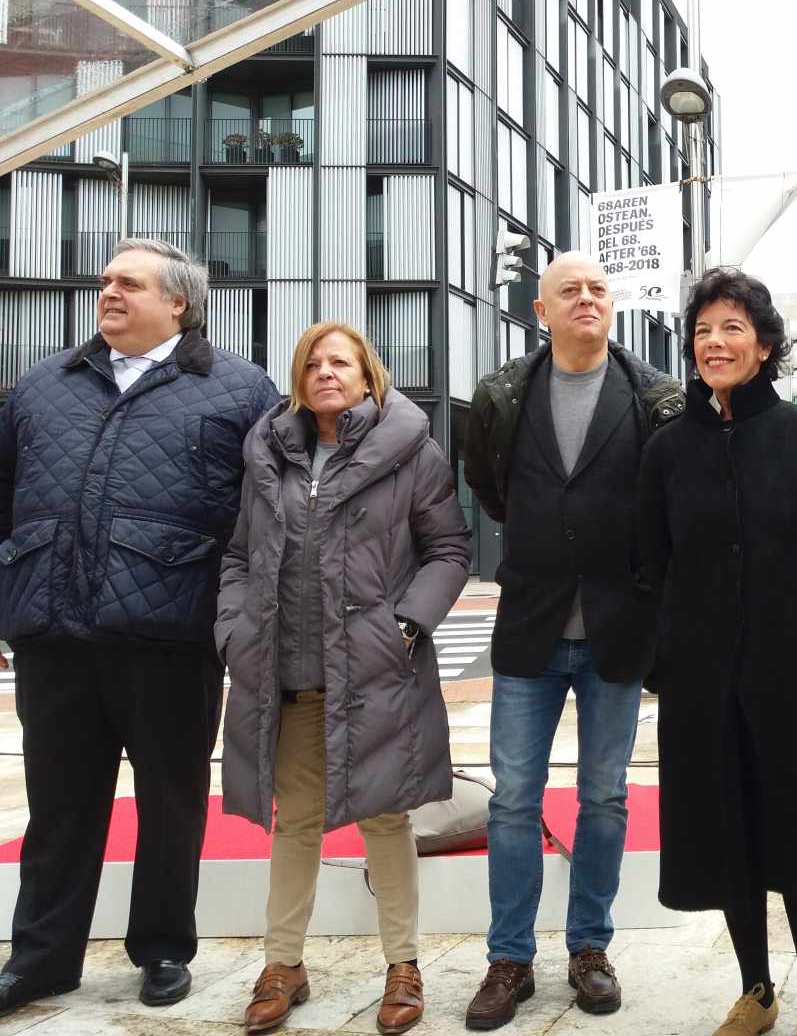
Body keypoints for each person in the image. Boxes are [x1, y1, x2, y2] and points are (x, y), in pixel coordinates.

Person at [0, 238, 278, 1015]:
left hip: (174, 636)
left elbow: (263, 516)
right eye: (105, 282)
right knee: (59, 805)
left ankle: (161, 950)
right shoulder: (42, 387)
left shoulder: (239, 389)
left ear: (178, 303)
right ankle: (42, 960)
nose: (109, 292)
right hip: (54, 633)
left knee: (171, 800)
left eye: (128, 283)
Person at [636, 267, 797, 1036]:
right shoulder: (666, 452)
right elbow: (649, 565)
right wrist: (666, 660)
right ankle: (756, 988)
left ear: (766, 344)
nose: (715, 343)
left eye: (733, 329)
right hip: (703, 676)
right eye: (704, 330)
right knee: (728, 832)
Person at [216, 322, 469, 1035]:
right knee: (293, 821)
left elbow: (448, 550)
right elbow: (237, 556)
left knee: (386, 819)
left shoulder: (412, 452)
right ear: (298, 379)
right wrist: (235, 631)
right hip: (284, 671)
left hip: (375, 671)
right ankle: (284, 964)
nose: (326, 372)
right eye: (313, 363)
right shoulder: (267, 454)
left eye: (340, 362)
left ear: (367, 376)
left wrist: (405, 625)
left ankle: (403, 964)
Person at [461, 251, 685, 1030]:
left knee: (604, 796)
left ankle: (590, 949)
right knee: (514, 801)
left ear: (610, 306)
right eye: (570, 291)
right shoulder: (501, 395)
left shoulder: (657, 399)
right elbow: (491, 488)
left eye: (597, 289)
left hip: (618, 632)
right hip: (530, 628)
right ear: (540, 310)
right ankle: (509, 960)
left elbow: (667, 505)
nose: (586, 299)